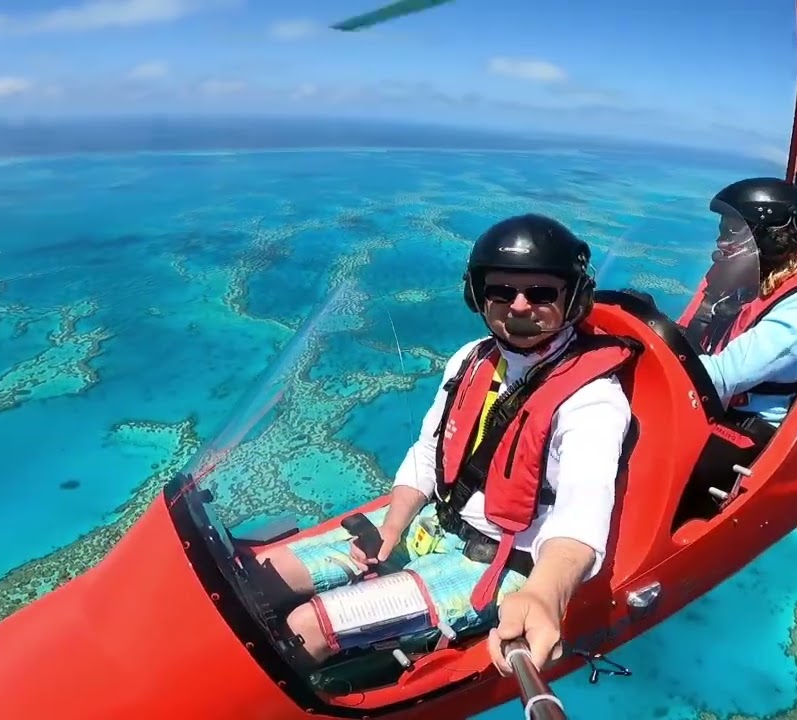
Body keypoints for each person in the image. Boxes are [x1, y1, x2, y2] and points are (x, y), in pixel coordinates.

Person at [257, 213, 637, 678]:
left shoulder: (592, 401)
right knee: (267, 574)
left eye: (541, 294)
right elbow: (427, 453)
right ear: (478, 295)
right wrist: (392, 529)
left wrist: (544, 594)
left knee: (305, 627)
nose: (518, 307)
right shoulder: (470, 360)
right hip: (430, 523)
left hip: (499, 563)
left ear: (574, 299)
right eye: (501, 291)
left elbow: (582, 515)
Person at [686, 177, 797, 427]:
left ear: (774, 236)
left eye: (733, 230)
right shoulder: (744, 278)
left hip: (745, 430)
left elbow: (721, 377)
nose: (721, 241)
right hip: (705, 403)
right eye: (723, 229)